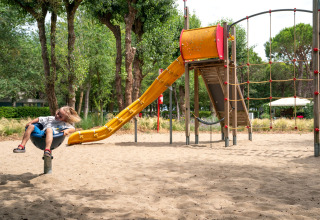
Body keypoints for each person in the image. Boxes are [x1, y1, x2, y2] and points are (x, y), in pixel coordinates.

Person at [13, 106, 81, 157]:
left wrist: (67, 130)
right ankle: (22, 146)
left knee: (49, 129)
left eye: (60, 116)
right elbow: (39, 119)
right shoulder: (50, 118)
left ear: (65, 119)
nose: (57, 116)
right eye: (58, 113)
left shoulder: (64, 124)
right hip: (42, 133)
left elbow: (73, 129)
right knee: (31, 126)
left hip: (53, 135)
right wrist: (30, 122)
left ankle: (47, 150)